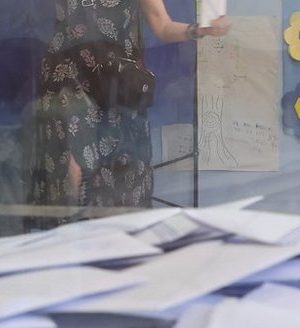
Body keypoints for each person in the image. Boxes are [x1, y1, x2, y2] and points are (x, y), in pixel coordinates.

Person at [28, 0, 230, 220]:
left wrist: (200, 30)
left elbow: (162, 25)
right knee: (73, 166)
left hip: (118, 83)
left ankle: (114, 233)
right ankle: (74, 229)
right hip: (67, 76)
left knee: (122, 169)